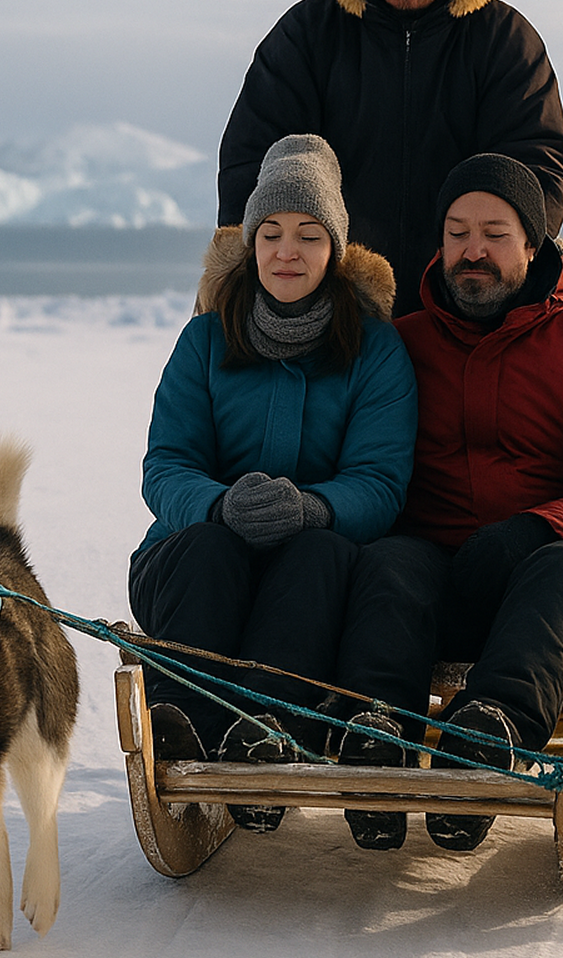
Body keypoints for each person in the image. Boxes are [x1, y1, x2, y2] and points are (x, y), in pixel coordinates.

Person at [333, 153, 563, 852]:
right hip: (432, 576)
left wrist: (535, 529)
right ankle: (375, 739)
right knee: (389, 564)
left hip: (546, 589)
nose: (472, 251)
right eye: (456, 233)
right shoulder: (401, 344)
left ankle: (485, 738)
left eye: (494, 233)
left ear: (534, 245)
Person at [130, 134, 418, 833]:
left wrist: (314, 509)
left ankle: (265, 735)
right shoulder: (204, 338)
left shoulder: (375, 349)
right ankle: (178, 724)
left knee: (319, 558)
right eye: (272, 232)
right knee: (209, 549)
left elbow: (381, 482)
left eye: (308, 235)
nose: (287, 251)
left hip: (312, 569)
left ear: (335, 249)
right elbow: (165, 464)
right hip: (193, 561)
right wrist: (219, 504)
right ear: (252, 240)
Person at [216, 0, 563, 317]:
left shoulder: (505, 42)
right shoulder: (307, 36)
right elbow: (250, 171)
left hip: (466, 321)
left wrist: (481, 285)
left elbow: (536, 172)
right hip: (332, 320)